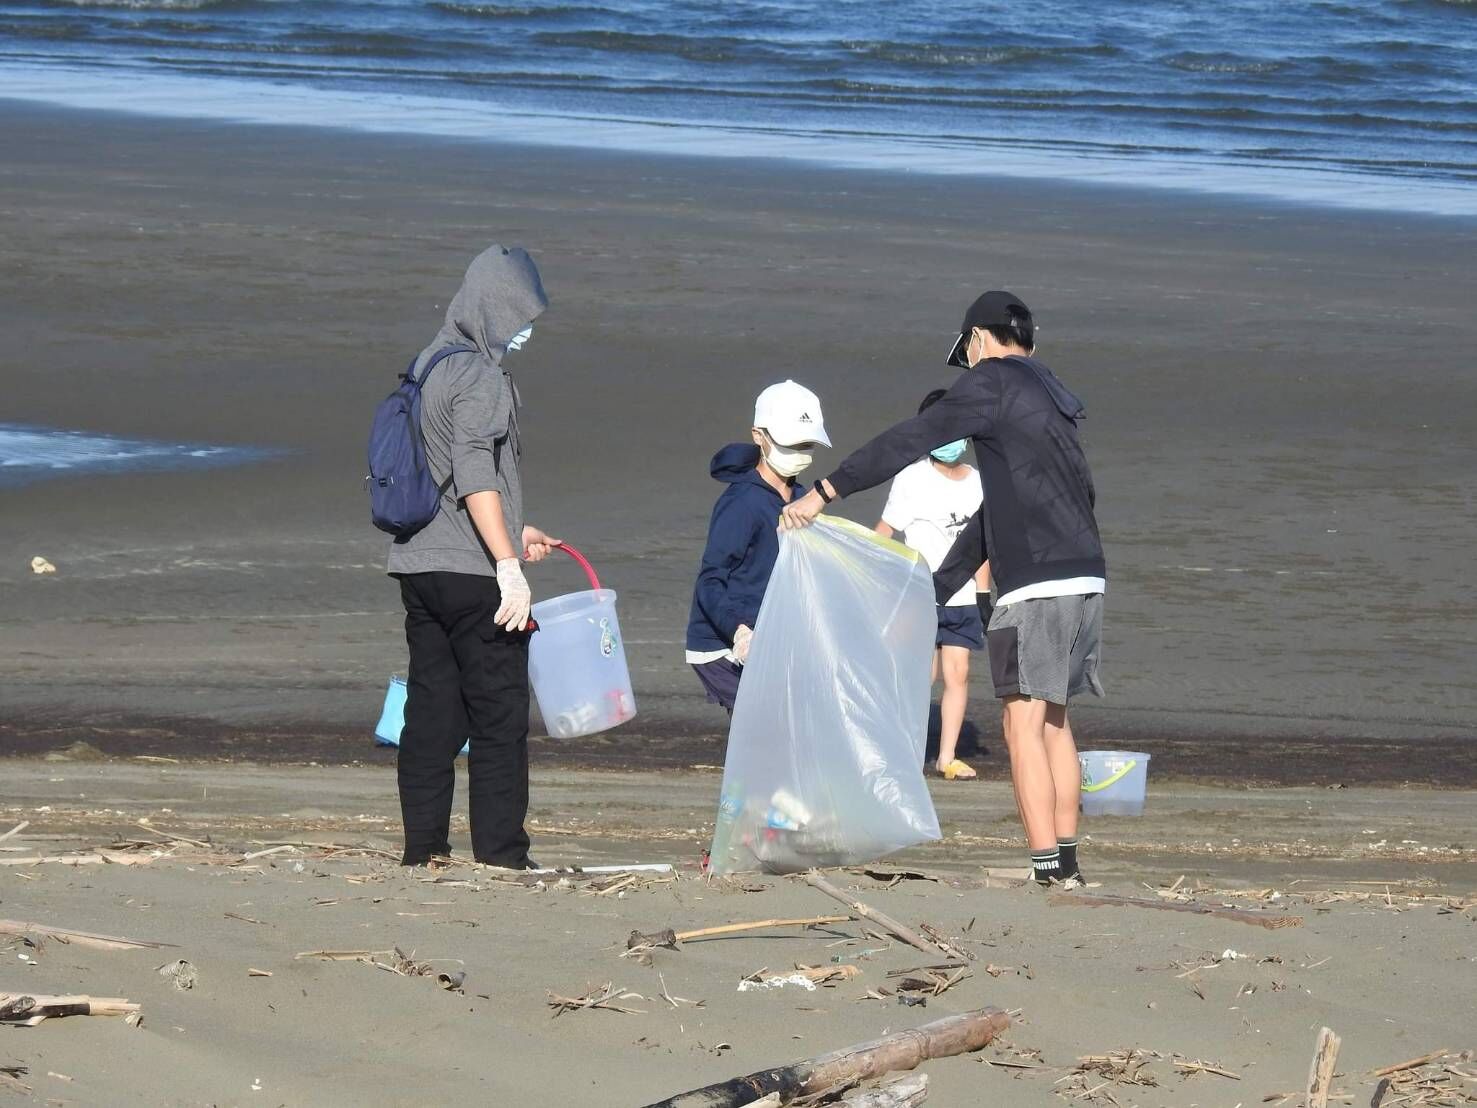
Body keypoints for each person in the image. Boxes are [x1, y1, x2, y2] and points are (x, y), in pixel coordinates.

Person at [781, 292, 1104, 888]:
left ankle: (1050, 873)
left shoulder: (993, 382)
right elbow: (1015, 511)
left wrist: (825, 491)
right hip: (1086, 574)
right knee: (1055, 720)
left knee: (1020, 725)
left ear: (979, 339)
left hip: (1035, 583)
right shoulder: (1052, 396)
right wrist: (934, 590)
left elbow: (910, 437)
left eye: (968, 353)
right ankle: (1068, 862)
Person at [386, 244, 560, 869]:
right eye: (518, 317)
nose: (523, 329)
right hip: (471, 576)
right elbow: (473, 471)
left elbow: (447, 476)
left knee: (431, 711)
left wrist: (516, 532)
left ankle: (422, 849)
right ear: (494, 309)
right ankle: (502, 855)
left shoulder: (429, 363)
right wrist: (507, 568)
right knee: (498, 716)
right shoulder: (483, 376)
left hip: (418, 566)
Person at [686, 381, 830, 713]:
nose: (799, 452)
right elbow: (710, 579)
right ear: (759, 436)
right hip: (723, 645)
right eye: (790, 443)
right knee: (769, 724)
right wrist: (739, 632)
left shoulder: (801, 498)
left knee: (786, 729)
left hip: (772, 633)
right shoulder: (741, 502)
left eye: (806, 444)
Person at [874, 388, 992, 781]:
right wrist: (873, 579)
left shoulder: (978, 481)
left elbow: (985, 546)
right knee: (920, 675)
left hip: (962, 598)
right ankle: (903, 751)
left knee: (958, 674)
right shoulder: (912, 478)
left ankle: (946, 756)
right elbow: (885, 532)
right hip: (921, 594)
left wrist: (982, 593)